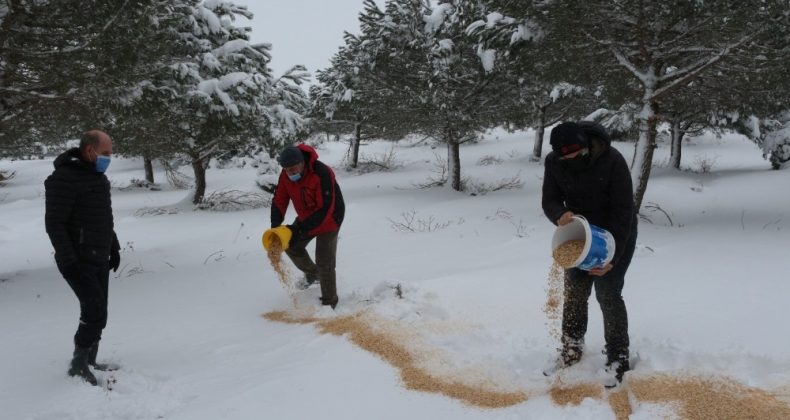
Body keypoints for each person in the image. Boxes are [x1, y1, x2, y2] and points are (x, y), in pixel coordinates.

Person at [541, 121, 637, 386]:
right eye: (565, 155)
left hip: (616, 231)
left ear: (585, 145)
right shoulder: (554, 162)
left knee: (607, 292)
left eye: (576, 153)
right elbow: (549, 199)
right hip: (579, 233)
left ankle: (618, 356)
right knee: (574, 292)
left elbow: (623, 212)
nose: (571, 159)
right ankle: (571, 348)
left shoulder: (612, 160)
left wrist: (612, 258)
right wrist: (559, 214)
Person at [45, 130, 121, 385]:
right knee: (94, 311)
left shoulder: (97, 176)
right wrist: (69, 260)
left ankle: (89, 359)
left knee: (101, 312)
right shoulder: (64, 179)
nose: (109, 158)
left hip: (99, 254)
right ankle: (77, 365)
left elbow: (101, 217)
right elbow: (54, 223)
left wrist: (114, 246)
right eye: (106, 153)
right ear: (90, 151)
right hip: (78, 259)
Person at [271, 144, 345, 309]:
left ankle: (329, 302)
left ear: (302, 162)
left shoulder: (321, 173)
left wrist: (299, 229)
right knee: (290, 244)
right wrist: (275, 226)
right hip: (307, 216)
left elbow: (325, 208)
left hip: (330, 216)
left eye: (293, 168)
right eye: (286, 169)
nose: (290, 172)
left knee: (324, 260)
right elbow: (279, 200)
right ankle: (313, 274)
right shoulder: (285, 176)